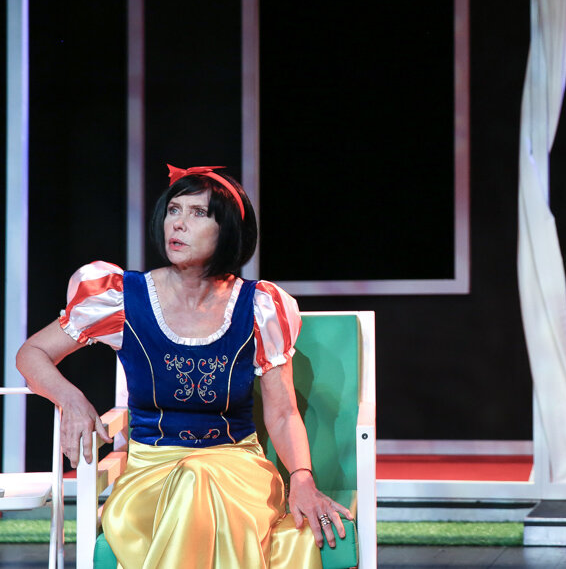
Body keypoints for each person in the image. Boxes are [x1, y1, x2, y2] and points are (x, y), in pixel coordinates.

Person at [17, 164, 352, 568]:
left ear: (228, 230)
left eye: (198, 213)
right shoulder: (124, 298)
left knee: (199, 477)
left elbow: (282, 414)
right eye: (174, 210)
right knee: (193, 479)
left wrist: (301, 478)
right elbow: (32, 353)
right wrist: (70, 399)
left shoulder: (259, 307)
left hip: (238, 470)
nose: (178, 223)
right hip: (151, 474)